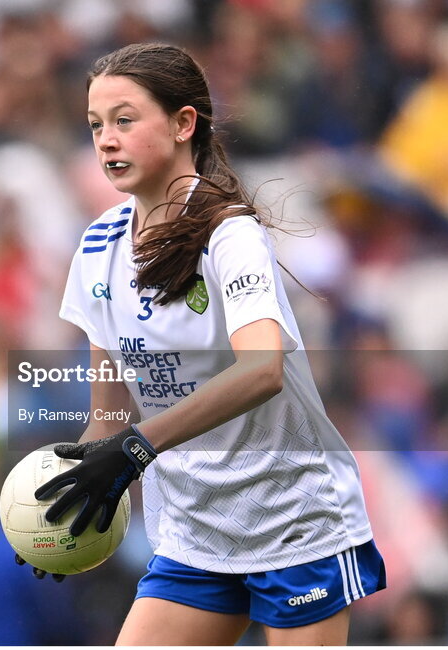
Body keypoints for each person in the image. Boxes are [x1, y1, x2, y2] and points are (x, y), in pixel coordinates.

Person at [19, 43, 386, 645]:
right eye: (95, 126)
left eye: (125, 119)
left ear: (184, 123)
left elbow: (262, 370)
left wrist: (136, 448)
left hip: (293, 519)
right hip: (195, 533)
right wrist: (62, 514)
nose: (106, 139)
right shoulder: (95, 248)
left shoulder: (230, 233)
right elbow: (109, 414)